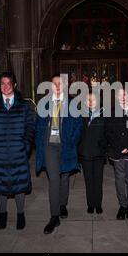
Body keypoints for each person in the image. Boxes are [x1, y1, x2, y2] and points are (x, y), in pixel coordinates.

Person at [0, 72, 35, 230]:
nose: (5, 87)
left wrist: (25, 146)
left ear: (14, 85)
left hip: (18, 152)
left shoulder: (24, 106)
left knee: (19, 185)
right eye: (2, 83)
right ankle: (3, 214)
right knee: (0, 185)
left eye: (8, 83)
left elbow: (30, 128)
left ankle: (20, 214)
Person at [35, 74, 83, 234]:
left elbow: (78, 126)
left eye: (60, 83)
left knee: (64, 176)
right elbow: (39, 125)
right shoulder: (45, 103)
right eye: (54, 83)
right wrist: (40, 142)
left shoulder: (73, 104)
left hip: (66, 145)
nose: (57, 86)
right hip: (50, 146)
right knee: (54, 179)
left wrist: (71, 140)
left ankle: (62, 204)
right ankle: (54, 216)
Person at [105, 88, 128, 220]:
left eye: (125, 94)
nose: (122, 97)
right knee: (119, 178)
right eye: (120, 95)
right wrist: (119, 147)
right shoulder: (111, 113)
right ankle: (122, 205)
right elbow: (108, 133)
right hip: (117, 151)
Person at [78, 92, 107, 214]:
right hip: (85, 153)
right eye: (88, 100)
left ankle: (98, 204)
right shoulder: (81, 115)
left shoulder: (104, 115)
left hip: (99, 153)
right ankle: (90, 204)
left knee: (98, 180)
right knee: (88, 180)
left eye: (93, 100)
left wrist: (105, 147)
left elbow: (107, 134)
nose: (90, 102)